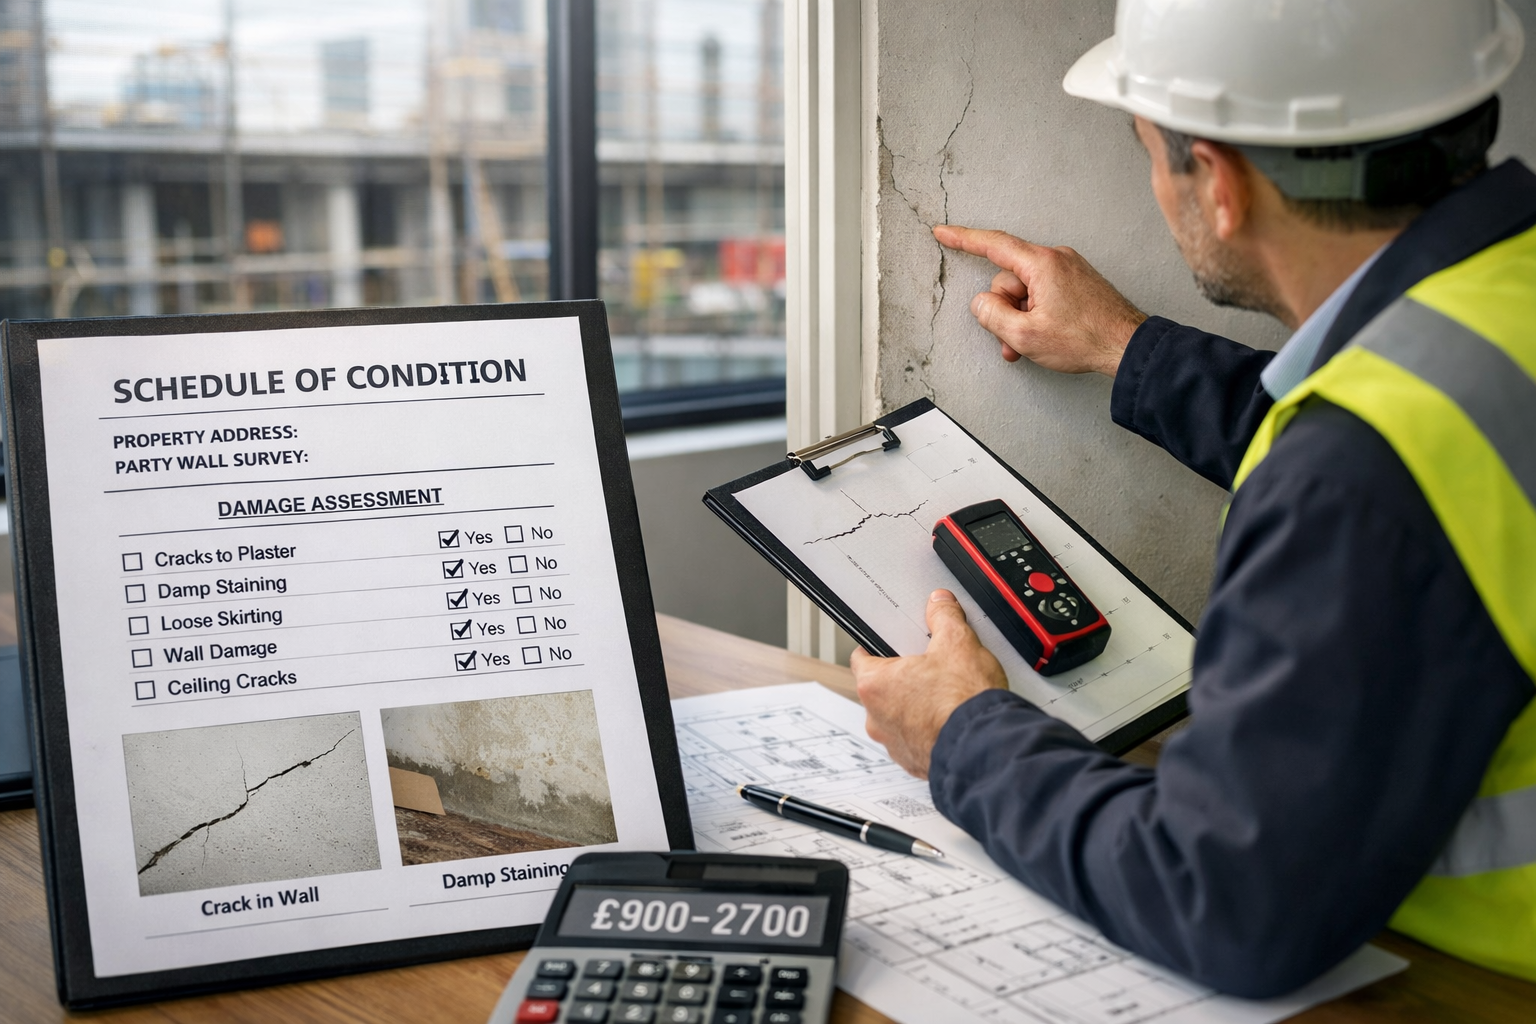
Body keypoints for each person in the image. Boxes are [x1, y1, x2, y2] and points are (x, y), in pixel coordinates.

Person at [849, 0, 1536, 998]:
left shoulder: (1365, 465)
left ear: (1215, 182)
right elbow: (1429, 460)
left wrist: (964, 735)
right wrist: (1131, 351)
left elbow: (1227, 899)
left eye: (1149, 152)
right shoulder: (1488, 313)